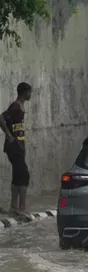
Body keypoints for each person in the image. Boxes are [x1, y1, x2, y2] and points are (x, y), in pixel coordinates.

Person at [0, 82, 32, 219]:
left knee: (18, 175)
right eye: (30, 92)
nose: (31, 95)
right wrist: (8, 135)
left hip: (19, 146)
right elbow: (1, 117)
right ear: (25, 92)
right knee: (24, 175)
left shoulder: (20, 106)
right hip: (14, 147)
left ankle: (14, 208)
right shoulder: (15, 106)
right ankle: (21, 208)